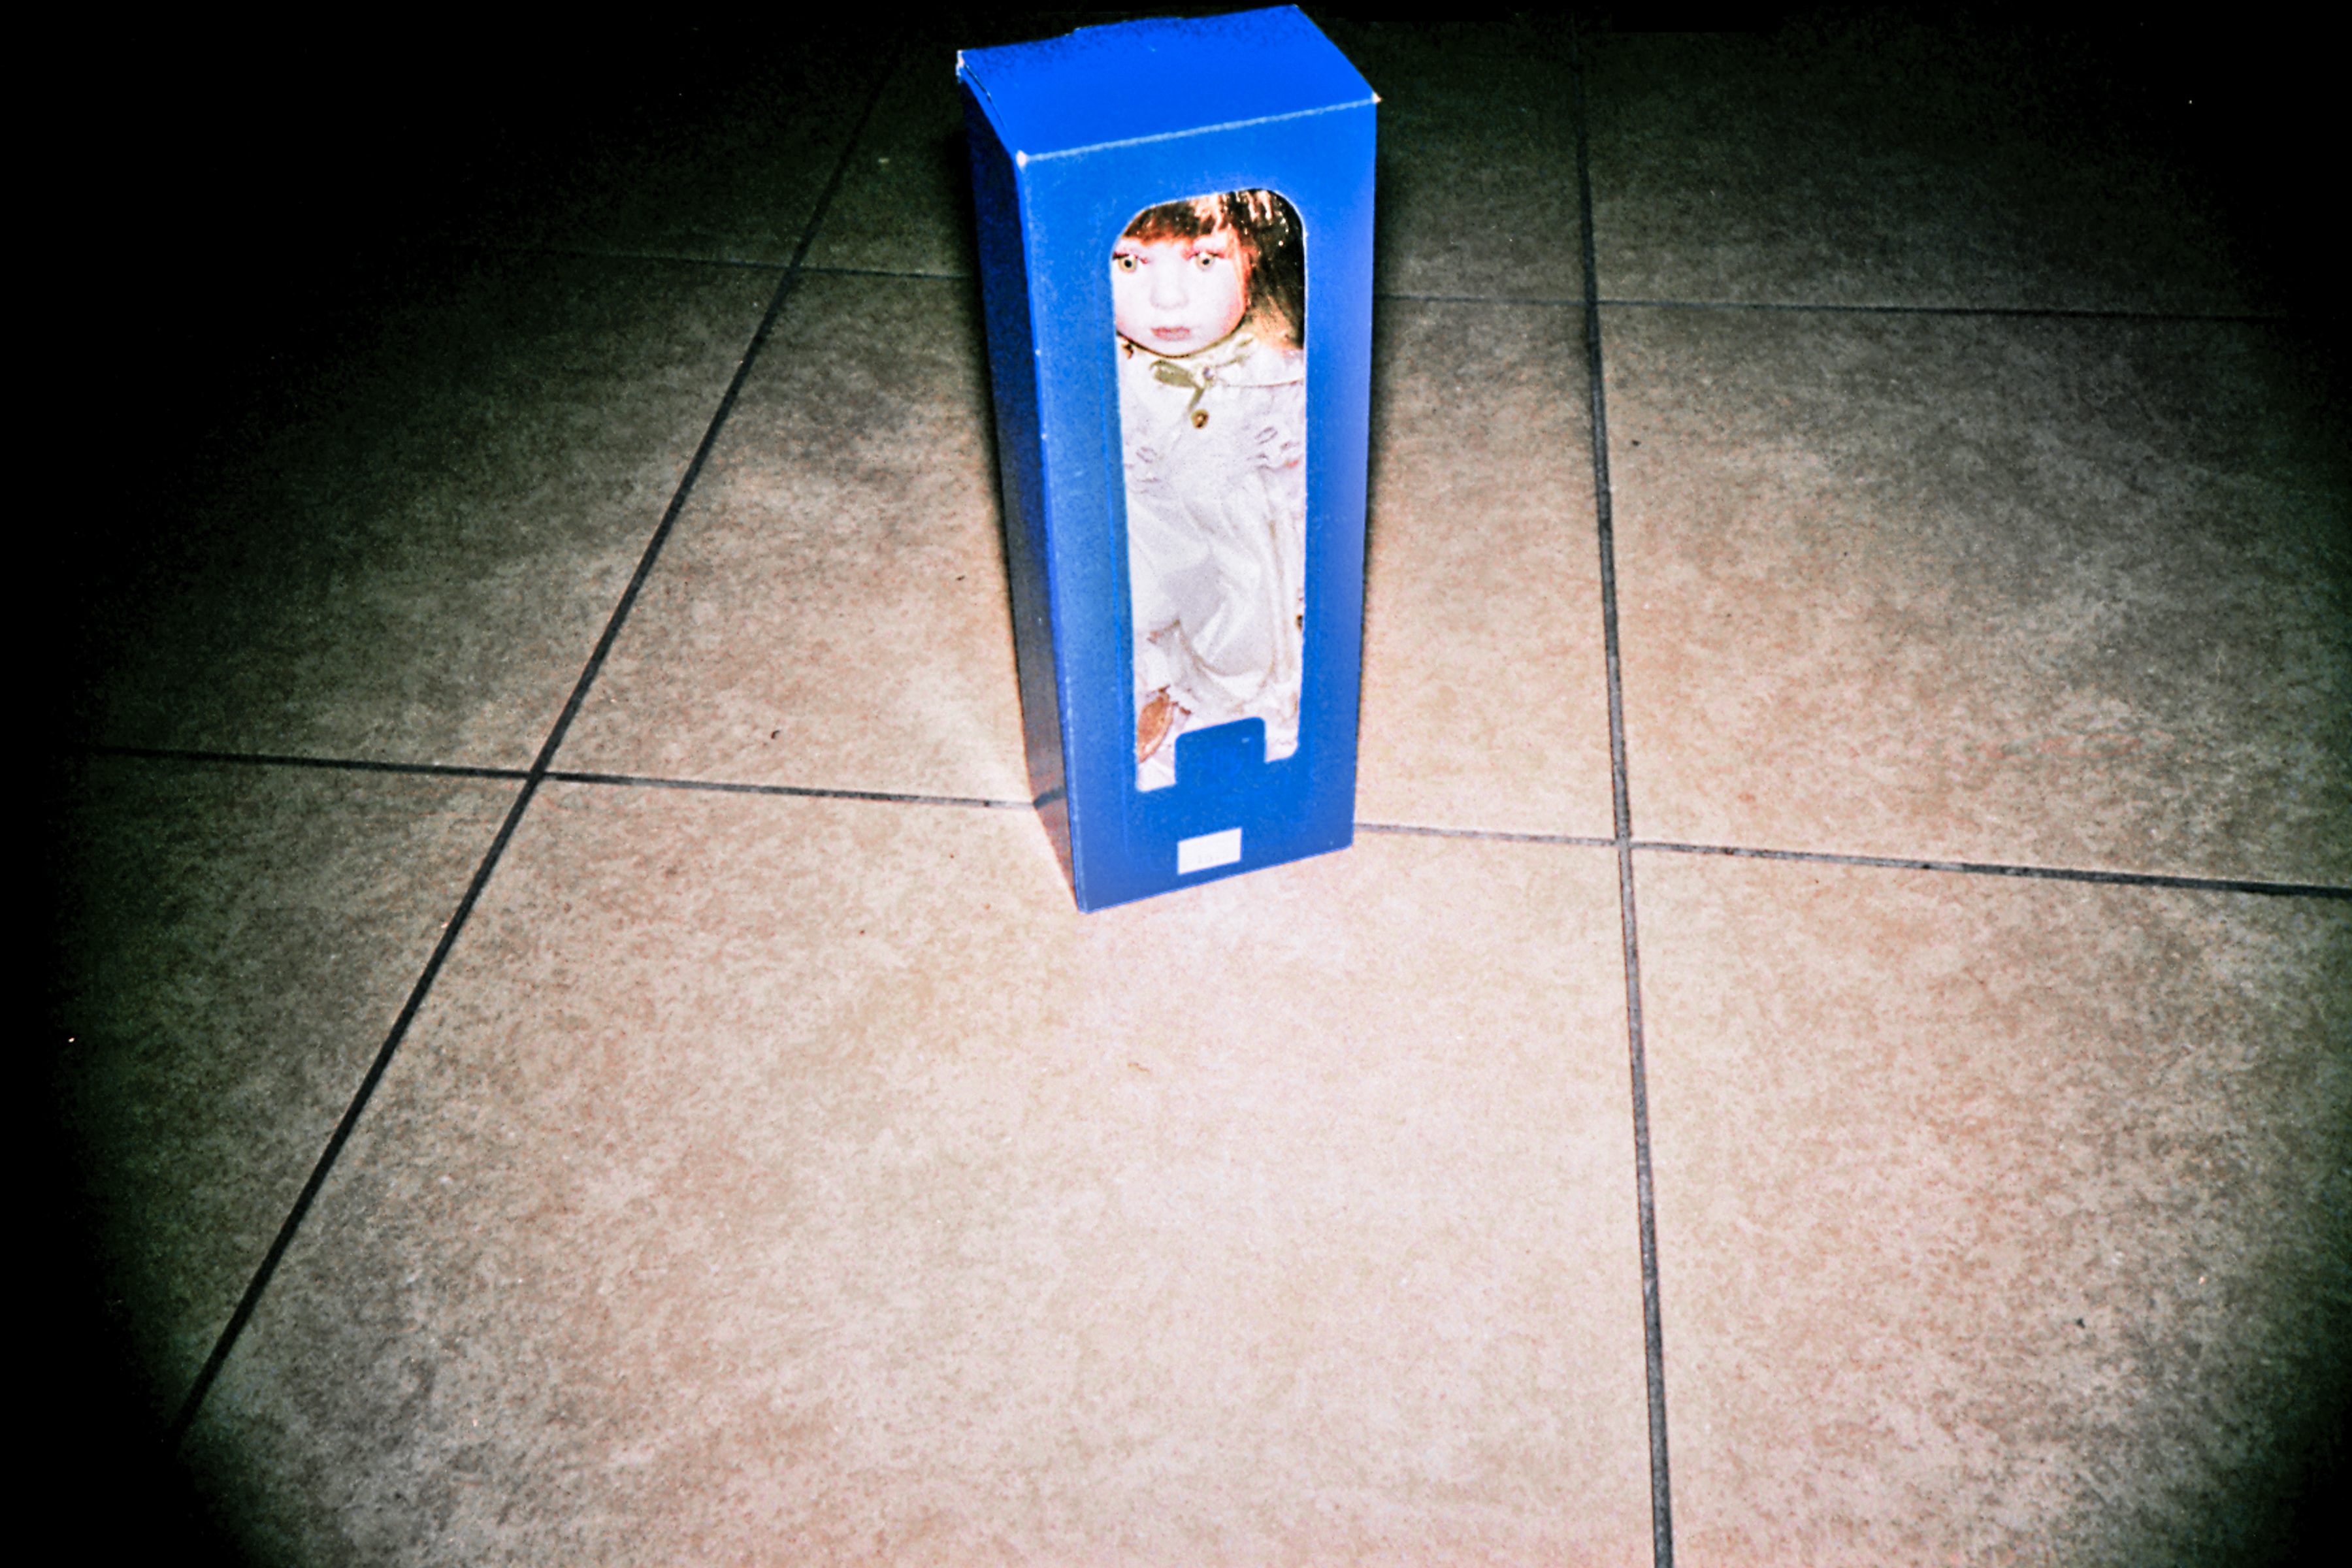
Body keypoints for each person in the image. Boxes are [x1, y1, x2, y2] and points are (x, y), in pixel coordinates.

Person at [1112, 189, 1307, 791]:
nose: (1166, 299)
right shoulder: (1106, 366)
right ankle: (1151, 693)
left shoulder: (1271, 364)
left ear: (1254, 256)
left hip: (1232, 525)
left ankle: (1232, 719)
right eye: (1129, 263)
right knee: (1129, 608)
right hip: (1144, 522)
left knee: (1243, 630)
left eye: (1203, 260)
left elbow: (1303, 448)